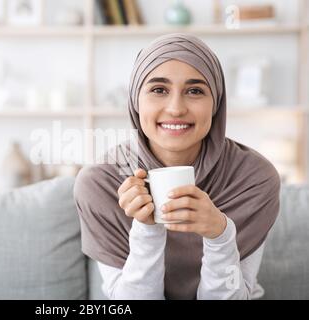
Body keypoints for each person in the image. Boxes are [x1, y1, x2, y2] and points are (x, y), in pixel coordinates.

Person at [73, 33, 281, 300]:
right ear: (136, 100)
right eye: (158, 90)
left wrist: (220, 233)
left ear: (216, 102)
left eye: (195, 91)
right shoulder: (101, 183)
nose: (175, 108)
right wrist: (147, 229)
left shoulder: (253, 178)